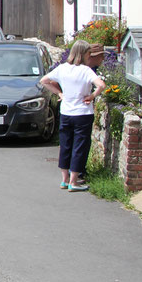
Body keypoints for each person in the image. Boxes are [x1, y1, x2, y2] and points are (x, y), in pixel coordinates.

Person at [39, 40, 106, 192]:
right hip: (82, 113)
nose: (90, 57)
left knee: (66, 145)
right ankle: (74, 181)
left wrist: (60, 93)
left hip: (66, 113)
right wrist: (93, 95)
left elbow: (44, 81)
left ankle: (64, 180)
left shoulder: (62, 68)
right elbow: (101, 85)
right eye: (89, 54)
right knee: (79, 146)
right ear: (83, 54)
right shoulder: (86, 70)